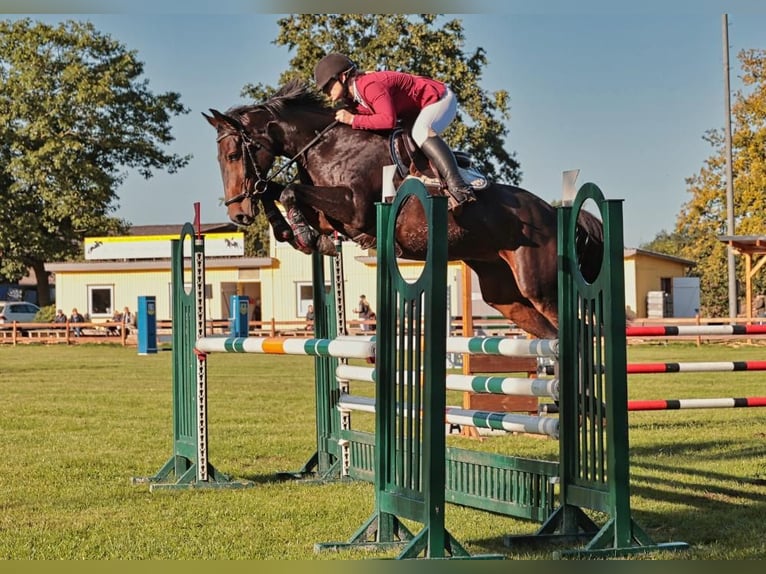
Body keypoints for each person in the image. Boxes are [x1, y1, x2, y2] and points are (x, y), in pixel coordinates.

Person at [313, 53, 476, 212]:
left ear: (342, 77)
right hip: (414, 110)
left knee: (420, 132)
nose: (325, 91)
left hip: (438, 99)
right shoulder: (353, 98)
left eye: (328, 85)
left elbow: (387, 120)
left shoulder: (369, 85)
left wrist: (352, 120)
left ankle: (459, 186)